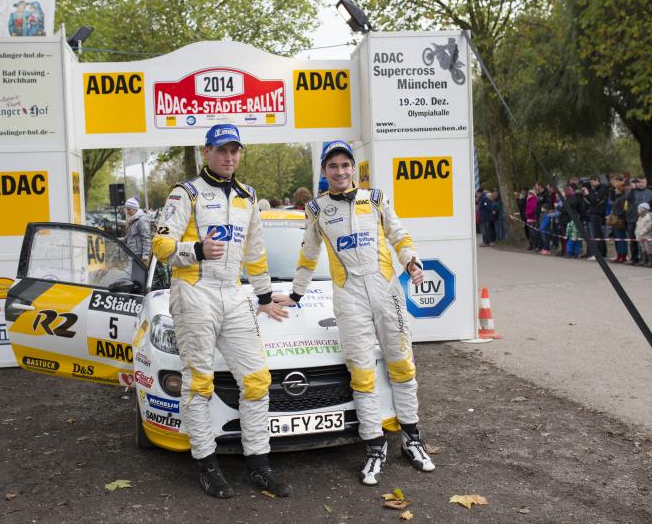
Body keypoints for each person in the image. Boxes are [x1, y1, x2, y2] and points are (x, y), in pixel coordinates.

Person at [151, 124, 292, 499]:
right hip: (194, 292)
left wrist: (264, 296)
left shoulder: (249, 195)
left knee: (257, 379)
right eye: (222, 150)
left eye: (234, 151)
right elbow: (161, 244)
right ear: (206, 152)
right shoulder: (186, 192)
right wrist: (196, 250)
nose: (229, 157)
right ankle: (207, 464)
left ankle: (258, 463)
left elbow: (255, 253)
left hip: (233, 292)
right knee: (199, 382)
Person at [285, 140, 435, 486]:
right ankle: (374, 446)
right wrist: (295, 294)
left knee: (402, 365)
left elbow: (399, 235)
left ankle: (411, 439)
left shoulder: (376, 198)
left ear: (353, 168)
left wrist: (411, 261)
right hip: (349, 298)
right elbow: (308, 254)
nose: (340, 172)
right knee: (362, 373)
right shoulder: (317, 209)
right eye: (333, 166)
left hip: (387, 293)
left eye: (345, 165)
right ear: (324, 171)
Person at [625, 177, 652, 264]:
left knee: (644, 240)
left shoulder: (650, 193)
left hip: (644, 220)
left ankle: (645, 259)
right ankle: (634, 258)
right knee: (633, 239)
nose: (641, 184)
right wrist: (632, 189)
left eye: (643, 182)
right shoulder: (631, 191)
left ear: (646, 182)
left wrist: (651, 214)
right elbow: (627, 198)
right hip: (632, 218)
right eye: (639, 182)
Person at [583, 175, 608, 260]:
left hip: (598, 214)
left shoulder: (602, 189)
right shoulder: (594, 190)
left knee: (597, 235)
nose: (591, 184)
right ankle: (602, 253)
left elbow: (594, 200)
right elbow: (590, 201)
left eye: (592, 182)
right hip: (593, 213)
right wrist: (586, 195)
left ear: (597, 180)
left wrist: (588, 194)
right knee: (597, 234)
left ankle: (600, 253)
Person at [608, 176, 629, 264]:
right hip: (615, 220)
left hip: (620, 220)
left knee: (621, 238)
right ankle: (619, 255)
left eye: (616, 189)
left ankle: (623, 256)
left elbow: (624, 209)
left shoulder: (623, 198)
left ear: (619, 189)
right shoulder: (617, 197)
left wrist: (618, 216)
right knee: (617, 238)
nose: (615, 190)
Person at [123, 197, 151, 263]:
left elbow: (146, 238)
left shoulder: (142, 220)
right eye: (126, 209)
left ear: (134, 209)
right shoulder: (132, 220)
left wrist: (145, 255)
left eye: (129, 209)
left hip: (139, 254)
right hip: (132, 252)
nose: (127, 212)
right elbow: (129, 237)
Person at [634, 203, 652, 267]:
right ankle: (644, 261)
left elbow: (648, 227)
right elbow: (638, 226)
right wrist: (637, 233)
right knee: (643, 248)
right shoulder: (640, 217)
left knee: (648, 248)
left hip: (646, 236)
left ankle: (651, 262)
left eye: (639, 209)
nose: (638, 211)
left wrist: (642, 232)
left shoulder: (648, 217)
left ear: (644, 210)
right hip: (640, 236)